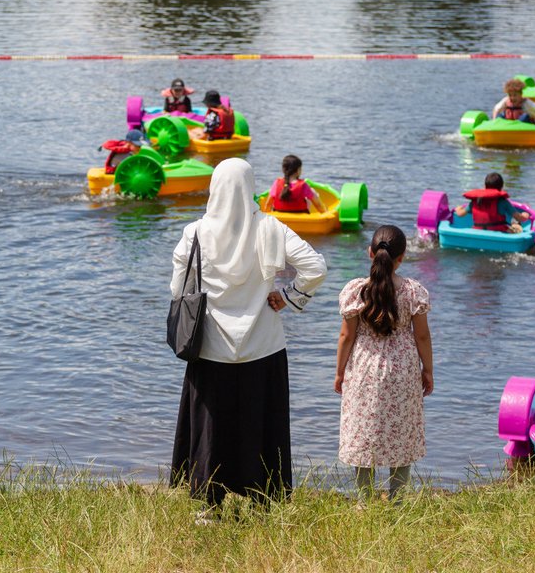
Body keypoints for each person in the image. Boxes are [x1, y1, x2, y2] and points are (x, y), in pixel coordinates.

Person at [170, 158, 326, 510]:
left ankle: (210, 506)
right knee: (261, 423)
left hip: (210, 345)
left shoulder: (195, 232)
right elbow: (315, 267)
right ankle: (262, 501)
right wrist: (289, 296)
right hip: (263, 344)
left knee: (212, 427)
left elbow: (177, 289)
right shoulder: (271, 227)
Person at [335, 225, 433, 501]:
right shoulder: (413, 292)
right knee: (401, 429)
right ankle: (397, 499)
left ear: (370, 253)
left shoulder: (356, 291)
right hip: (402, 367)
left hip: (364, 366)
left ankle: (364, 500)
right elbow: (422, 336)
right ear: (402, 257)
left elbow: (346, 336)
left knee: (363, 428)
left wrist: (339, 372)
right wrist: (428, 370)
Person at [452, 172, 530, 232]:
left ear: (485, 186)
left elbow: (460, 214)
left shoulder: (476, 201)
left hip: (478, 231)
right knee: (516, 224)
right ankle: (514, 224)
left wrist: (458, 208)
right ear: (501, 187)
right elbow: (520, 218)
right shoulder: (503, 202)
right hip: (499, 232)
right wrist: (525, 215)